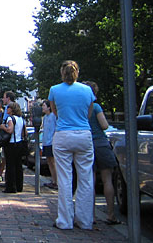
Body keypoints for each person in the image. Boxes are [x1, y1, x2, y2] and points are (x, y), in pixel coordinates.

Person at [48, 60, 96, 230]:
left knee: (65, 178)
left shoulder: (54, 90)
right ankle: (85, 221)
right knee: (86, 178)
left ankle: (65, 221)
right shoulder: (87, 90)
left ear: (62, 73)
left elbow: (55, 113)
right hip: (84, 134)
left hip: (63, 135)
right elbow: (89, 113)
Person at [83, 81, 120, 225]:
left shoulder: (82, 108)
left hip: (87, 144)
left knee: (88, 182)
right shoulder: (96, 107)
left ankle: (91, 216)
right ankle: (111, 215)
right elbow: (104, 125)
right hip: (101, 143)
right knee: (107, 180)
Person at [0, 102, 26, 193]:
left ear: (12, 109)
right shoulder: (21, 119)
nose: (7, 110)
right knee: (18, 165)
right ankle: (19, 186)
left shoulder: (10, 119)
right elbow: (24, 133)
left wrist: (3, 127)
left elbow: (10, 130)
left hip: (11, 144)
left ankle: (10, 187)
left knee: (10, 165)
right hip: (19, 143)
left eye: (8, 108)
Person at [42, 100, 58, 190]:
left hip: (52, 142)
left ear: (49, 107)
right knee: (49, 162)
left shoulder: (53, 116)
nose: (42, 107)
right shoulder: (45, 117)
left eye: (44, 105)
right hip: (46, 142)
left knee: (53, 162)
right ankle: (53, 180)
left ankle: (57, 181)